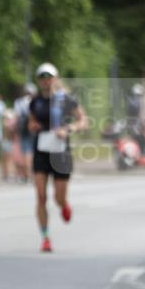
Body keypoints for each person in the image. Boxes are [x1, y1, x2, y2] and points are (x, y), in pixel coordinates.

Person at [28, 63, 88, 252]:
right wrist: (33, 126)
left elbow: (83, 121)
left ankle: (64, 205)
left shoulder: (66, 99)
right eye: (42, 77)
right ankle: (45, 237)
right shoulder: (35, 101)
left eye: (49, 77)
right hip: (41, 150)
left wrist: (68, 129)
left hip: (61, 152)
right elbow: (31, 122)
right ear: (38, 81)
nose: (46, 81)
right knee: (41, 196)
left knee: (58, 197)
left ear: (55, 79)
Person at [13, 83, 37, 181]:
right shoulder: (35, 101)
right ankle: (31, 174)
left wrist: (15, 129)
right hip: (34, 129)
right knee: (32, 152)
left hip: (23, 129)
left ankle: (26, 174)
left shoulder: (19, 102)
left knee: (26, 151)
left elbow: (17, 117)